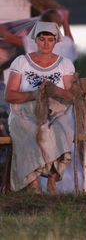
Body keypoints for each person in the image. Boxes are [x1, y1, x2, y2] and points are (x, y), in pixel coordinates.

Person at [5, 21, 76, 194]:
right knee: (30, 131)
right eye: (42, 39)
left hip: (55, 111)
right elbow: (10, 95)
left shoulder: (65, 64)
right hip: (23, 112)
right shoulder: (21, 62)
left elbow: (72, 96)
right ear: (35, 40)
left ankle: (52, 181)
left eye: (50, 40)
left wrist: (54, 90)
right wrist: (34, 95)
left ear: (55, 41)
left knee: (59, 129)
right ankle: (33, 182)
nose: (45, 43)